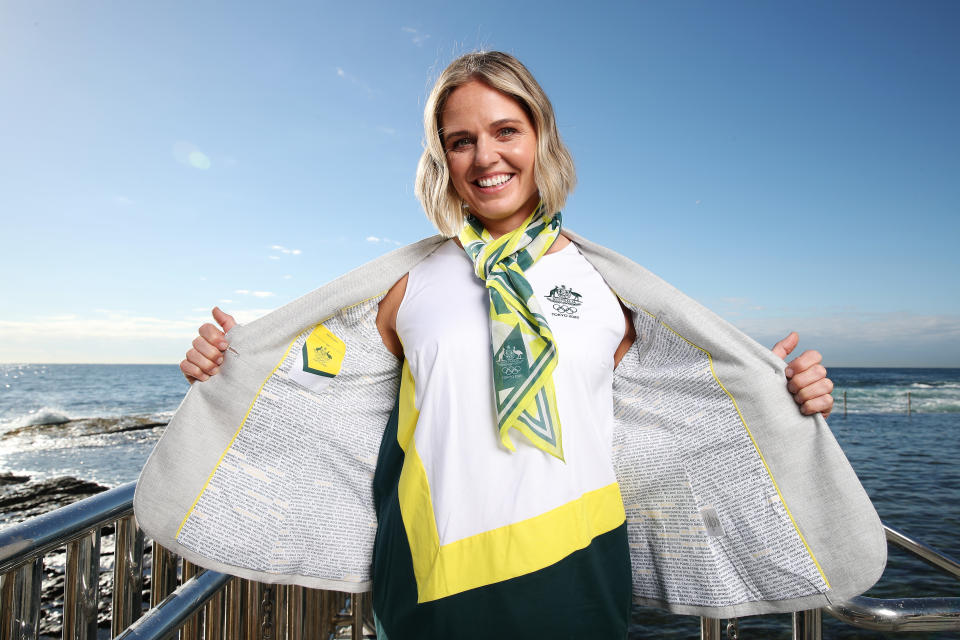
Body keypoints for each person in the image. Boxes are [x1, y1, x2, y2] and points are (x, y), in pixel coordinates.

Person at [179, 52, 836, 639]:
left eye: (505, 132)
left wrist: (788, 396)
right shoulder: (404, 285)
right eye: (460, 141)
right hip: (432, 587)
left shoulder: (611, 287)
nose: (485, 157)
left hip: (578, 578)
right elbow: (313, 395)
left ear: (540, 138)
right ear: (442, 160)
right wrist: (224, 370)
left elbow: (687, 412)